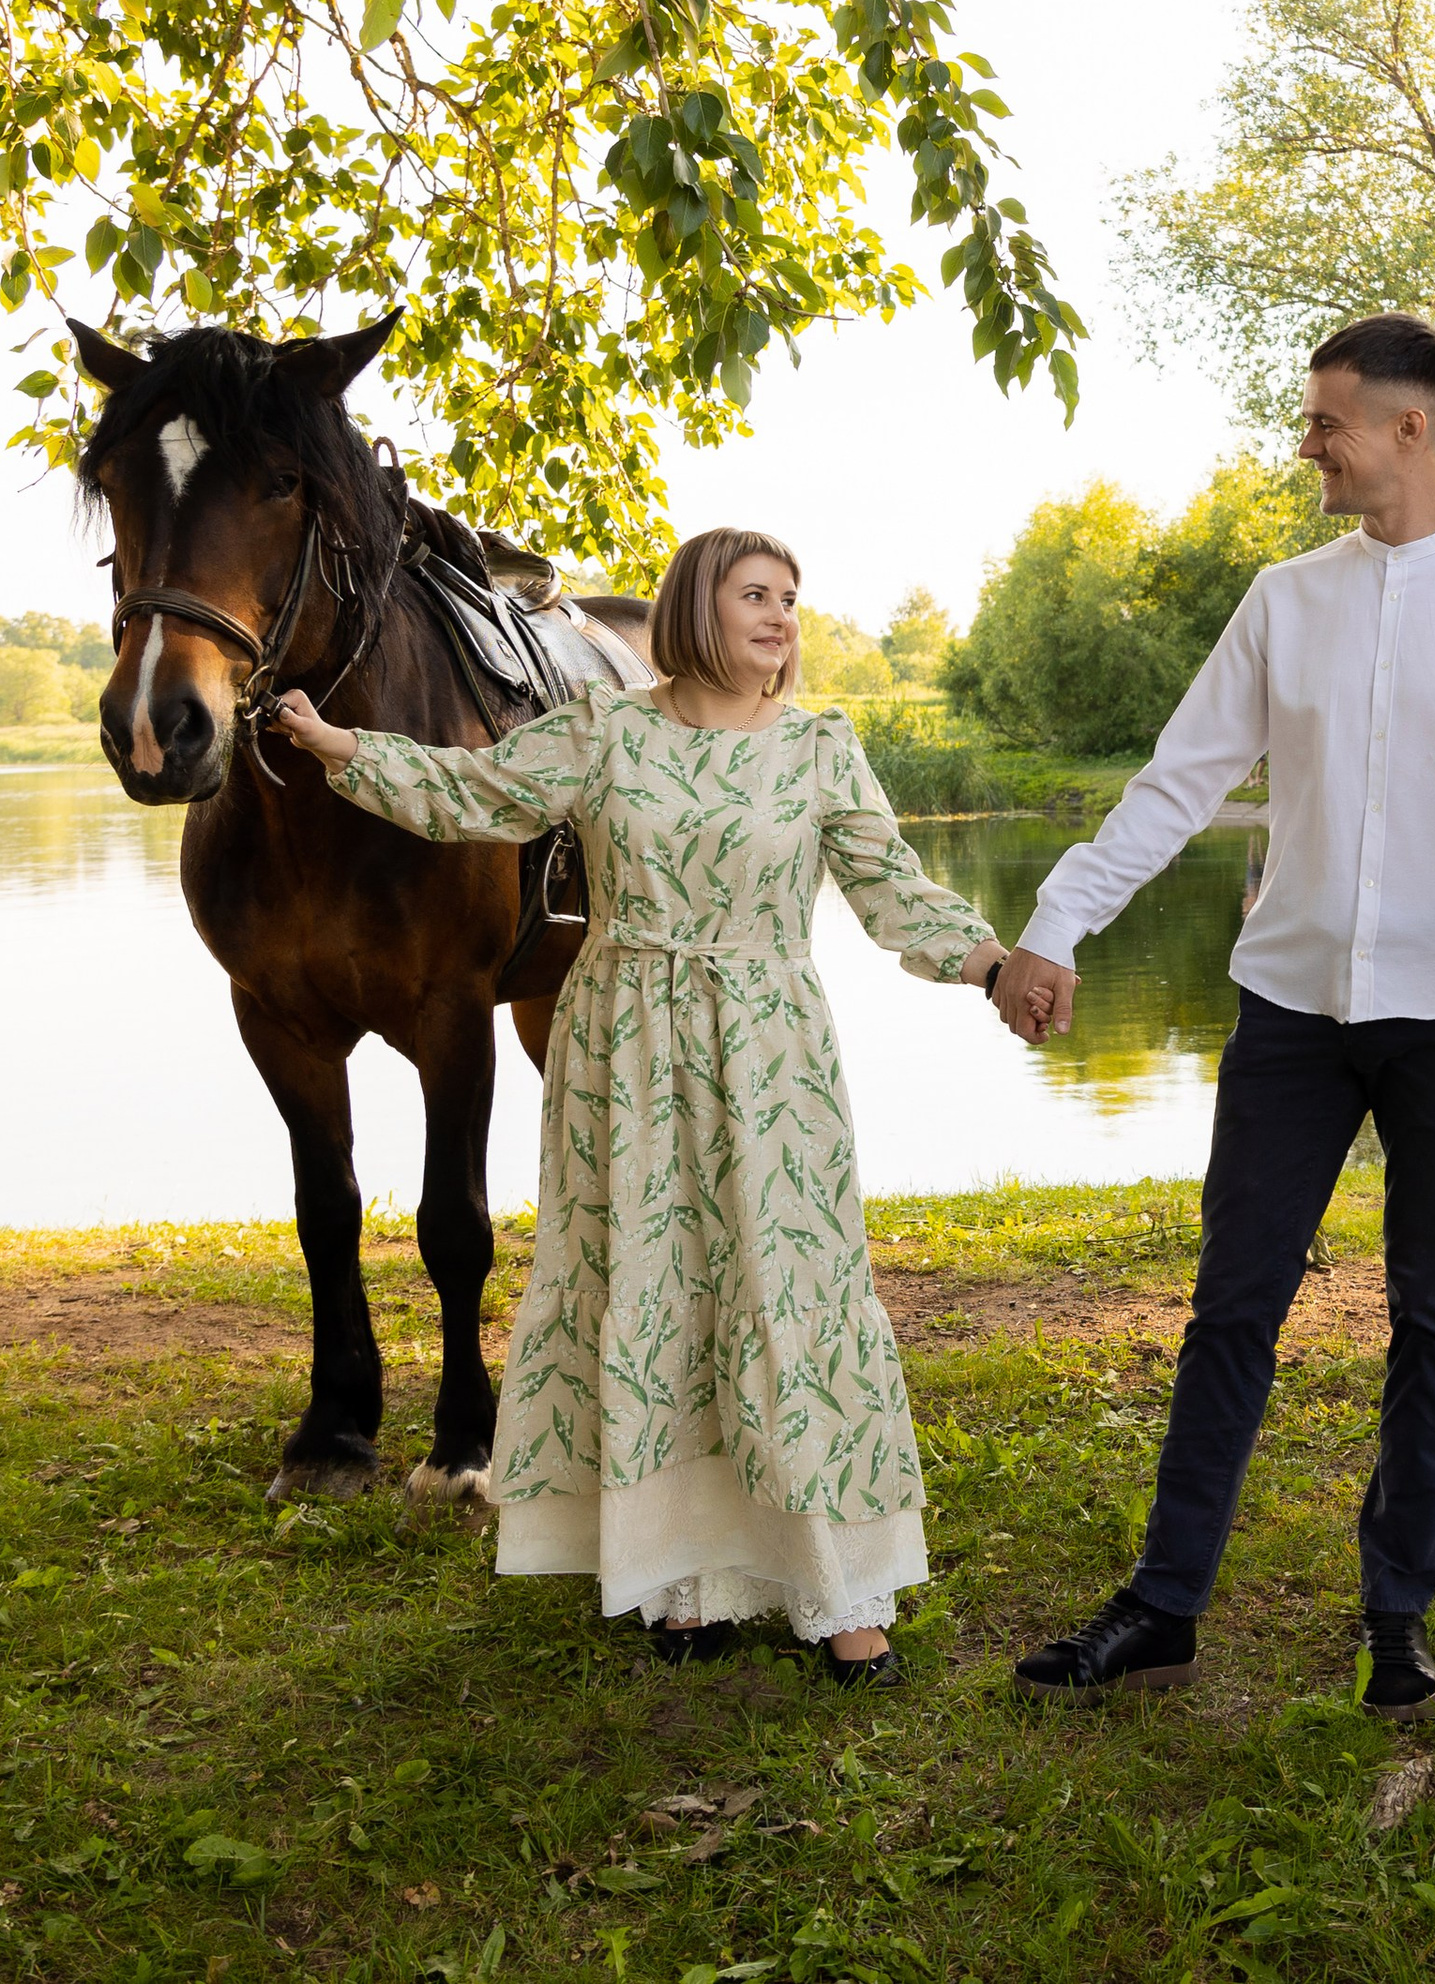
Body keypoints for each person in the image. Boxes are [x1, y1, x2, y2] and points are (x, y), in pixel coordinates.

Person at [989, 313, 1435, 1717]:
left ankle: (1399, 1614)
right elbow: (1176, 782)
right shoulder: (1284, 599)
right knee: (1232, 1310)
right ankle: (1163, 1602)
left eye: (1327, 420)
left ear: (1411, 429)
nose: (1307, 443)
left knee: (1431, 1319)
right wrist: (1057, 922)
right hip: (1292, 1013)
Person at [273, 527, 1016, 1683]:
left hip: (769, 1054)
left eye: (790, 597)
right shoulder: (608, 731)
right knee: (655, 1292)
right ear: (690, 611)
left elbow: (890, 888)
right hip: (627, 1045)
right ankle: (682, 1576)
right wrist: (335, 745)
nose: (780, 617)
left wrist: (989, 963)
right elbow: (476, 792)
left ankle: (835, 1586)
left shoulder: (820, 745)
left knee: (787, 1294)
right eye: (753, 594)